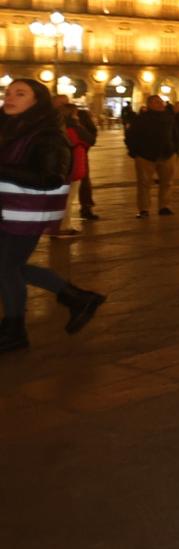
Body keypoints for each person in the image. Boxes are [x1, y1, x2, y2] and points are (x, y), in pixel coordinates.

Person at [0, 79, 106, 351]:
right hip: (8, 210)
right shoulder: (10, 128)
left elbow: (50, 177)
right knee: (12, 267)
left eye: (20, 94)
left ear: (37, 101)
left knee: (6, 268)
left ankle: (15, 330)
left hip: (25, 214)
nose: (10, 97)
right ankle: (77, 298)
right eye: (8, 93)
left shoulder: (48, 134)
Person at [126, 94, 179, 217]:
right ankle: (144, 209)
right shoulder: (141, 119)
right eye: (157, 102)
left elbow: (176, 135)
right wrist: (134, 152)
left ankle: (164, 206)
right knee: (144, 184)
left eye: (161, 102)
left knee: (167, 182)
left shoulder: (169, 118)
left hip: (167, 155)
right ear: (149, 104)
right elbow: (130, 136)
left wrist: (176, 150)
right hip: (145, 156)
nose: (161, 104)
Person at [53, 95, 99, 226]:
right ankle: (61, 222)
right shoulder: (50, 117)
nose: (62, 105)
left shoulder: (81, 115)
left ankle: (86, 206)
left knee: (83, 181)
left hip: (79, 154)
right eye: (59, 103)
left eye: (64, 103)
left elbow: (92, 133)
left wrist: (84, 145)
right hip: (63, 156)